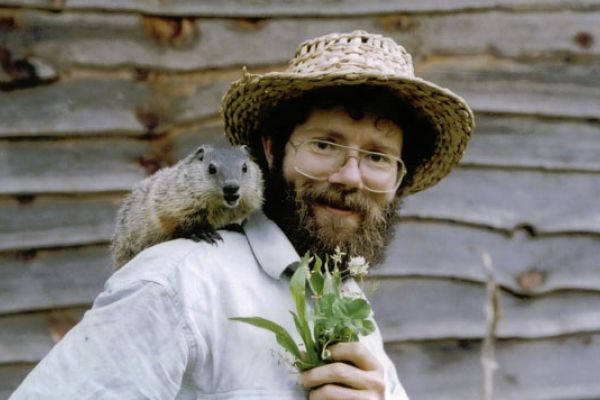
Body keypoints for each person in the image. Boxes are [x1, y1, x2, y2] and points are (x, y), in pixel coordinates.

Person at [10, 30, 474, 399]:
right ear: (270, 151)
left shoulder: (351, 307)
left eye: (378, 158)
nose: (351, 176)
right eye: (324, 145)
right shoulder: (178, 284)